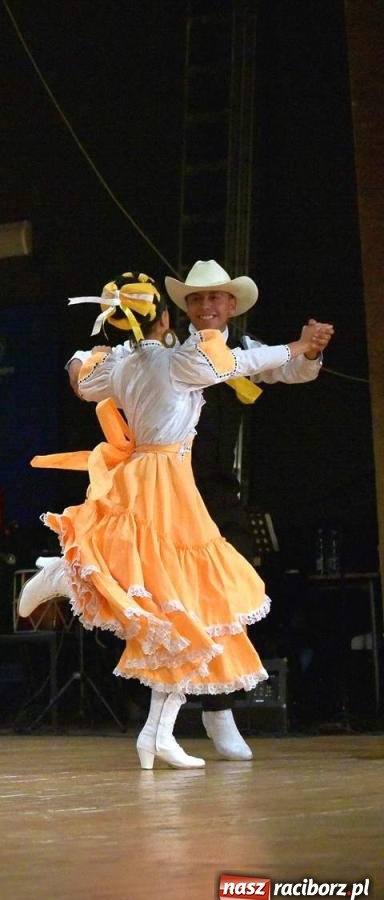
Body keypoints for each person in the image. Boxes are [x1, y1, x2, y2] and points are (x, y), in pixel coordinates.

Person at [20, 274, 331, 769]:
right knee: (176, 598)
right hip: (166, 483)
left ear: (231, 305)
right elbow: (246, 362)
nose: (207, 306)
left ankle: (163, 732)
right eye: (197, 299)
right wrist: (296, 342)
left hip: (183, 484)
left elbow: (84, 378)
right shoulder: (187, 358)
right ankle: (62, 574)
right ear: (172, 313)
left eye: (215, 298)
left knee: (187, 606)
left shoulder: (134, 359)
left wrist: (303, 352)